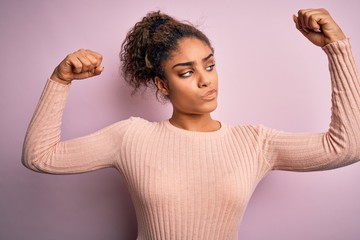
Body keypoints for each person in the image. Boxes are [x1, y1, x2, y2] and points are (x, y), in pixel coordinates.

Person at [22, 8, 360, 240]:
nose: (205, 81)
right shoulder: (131, 137)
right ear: (162, 85)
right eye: (186, 72)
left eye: (209, 66)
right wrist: (59, 80)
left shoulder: (254, 143)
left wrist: (337, 48)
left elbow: (347, 147)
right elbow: (40, 157)